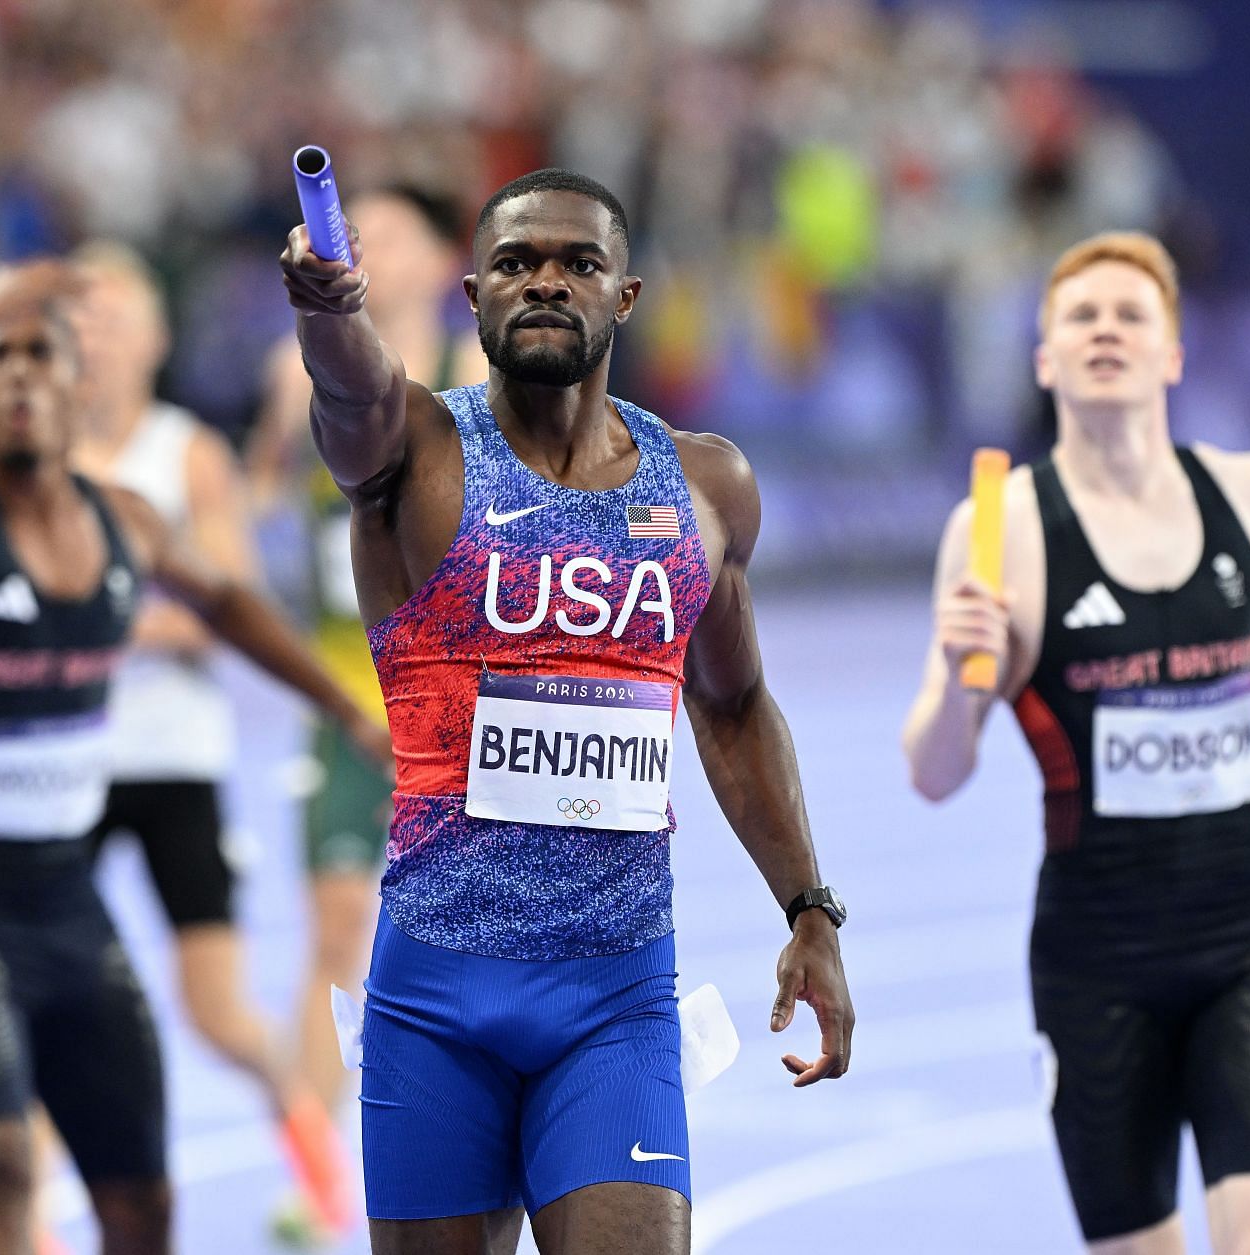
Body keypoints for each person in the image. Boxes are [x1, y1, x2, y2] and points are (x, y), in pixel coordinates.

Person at [279, 167, 856, 1255]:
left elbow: (732, 708)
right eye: (515, 263)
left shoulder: (705, 486)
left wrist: (809, 908)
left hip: (616, 997)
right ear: (474, 296)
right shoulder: (416, 453)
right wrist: (331, 308)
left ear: (624, 296)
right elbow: (351, 393)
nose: (546, 282)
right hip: (435, 994)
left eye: (577, 263)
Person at [0, 260, 388, 1255]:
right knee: (2, 1159)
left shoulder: (127, 519)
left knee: (143, 1204)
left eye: (41, 356)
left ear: (80, 387)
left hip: (69, 906)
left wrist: (346, 707)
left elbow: (232, 605)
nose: (20, 374)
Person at [901, 231, 1250, 1254]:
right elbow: (935, 772)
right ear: (1045, 357)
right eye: (1081, 316)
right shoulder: (1002, 529)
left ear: (1173, 353)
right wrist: (956, 674)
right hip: (1098, 956)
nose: (1106, 331)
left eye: (1132, 316)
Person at [67, 240, 352, 1234]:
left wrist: (107, 620)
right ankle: (28, 1210)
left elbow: (229, 603)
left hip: (172, 761)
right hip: (57, 768)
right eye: (78, 313)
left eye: (114, 314)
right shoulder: (34, 453)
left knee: (215, 1012)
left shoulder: (184, 452)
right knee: (34, 993)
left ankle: (310, 1139)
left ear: (155, 338)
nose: (92, 332)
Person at [246, 184, 487, 1147]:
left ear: (438, 264)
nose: (364, 243)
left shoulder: (475, 367)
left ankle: (458, 1136)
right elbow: (255, 480)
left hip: (463, 703)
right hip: (348, 700)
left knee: (468, 938)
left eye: (387, 234)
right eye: (357, 230)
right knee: (337, 932)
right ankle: (312, 1162)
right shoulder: (285, 368)